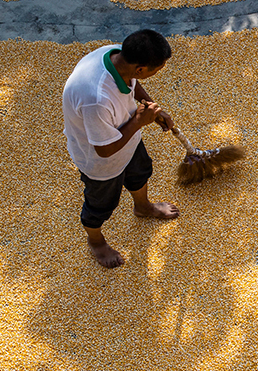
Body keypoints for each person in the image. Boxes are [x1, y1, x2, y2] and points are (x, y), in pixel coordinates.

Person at [62, 29, 179, 268]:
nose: (158, 72)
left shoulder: (116, 54)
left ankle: (143, 207)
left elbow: (132, 84)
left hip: (127, 137)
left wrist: (150, 108)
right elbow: (104, 150)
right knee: (99, 206)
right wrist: (138, 122)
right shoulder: (96, 100)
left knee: (140, 173)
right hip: (101, 163)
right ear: (140, 68)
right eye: (157, 69)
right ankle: (96, 242)